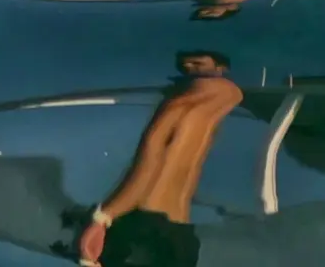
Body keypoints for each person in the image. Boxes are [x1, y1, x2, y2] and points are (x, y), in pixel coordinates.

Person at [71, 52, 241, 267]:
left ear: (221, 66)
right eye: (184, 66)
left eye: (196, 63)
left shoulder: (179, 102)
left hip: (144, 230)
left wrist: (102, 218)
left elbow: (150, 161)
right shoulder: (227, 100)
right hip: (180, 236)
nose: (189, 69)